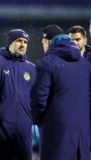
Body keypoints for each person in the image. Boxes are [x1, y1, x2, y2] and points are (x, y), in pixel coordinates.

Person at [32, 25, 91, 160]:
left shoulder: (47, 63)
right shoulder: (85, 64)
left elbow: (39, 98)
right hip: (82, 136)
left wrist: (37, 119)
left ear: (47, 42)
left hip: (56, 133)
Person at [0, 29, 35, 160]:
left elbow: (35, 98)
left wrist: (31, 118)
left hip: (24, 133)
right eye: (19, 40)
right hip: (2, 130)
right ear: (9, 43)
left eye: (25, 42)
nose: (23, 44)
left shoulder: (31, 68)